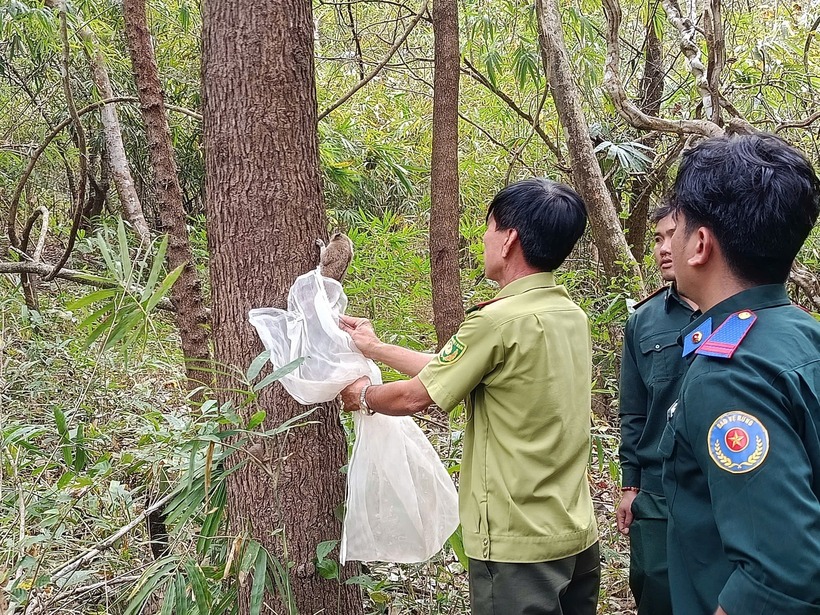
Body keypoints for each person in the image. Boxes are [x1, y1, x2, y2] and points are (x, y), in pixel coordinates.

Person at [339, 177, 600, 615]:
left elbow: (414, 399)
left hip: (518, 544)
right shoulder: (568, 314)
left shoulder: (496, 322)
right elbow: (453, 369)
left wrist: (364, 395)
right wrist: (375, 347)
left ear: (509, 239)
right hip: (575, 533)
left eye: (489, 227)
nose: (484, 239)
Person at [661, 133, 820, 615]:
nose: (669, 241)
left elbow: (780, 577)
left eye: (677, 229)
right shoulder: (802, 335)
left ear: (701, 244)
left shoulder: (729, 375)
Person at [617, 204, 697, 615]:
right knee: (654, 593)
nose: (664, 248)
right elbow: (634, 410)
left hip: (715, 483)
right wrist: (630, 485)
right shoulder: (645, 321)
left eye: (672, 236)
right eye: (657, 239)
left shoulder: (739, 315)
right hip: (656, 490)